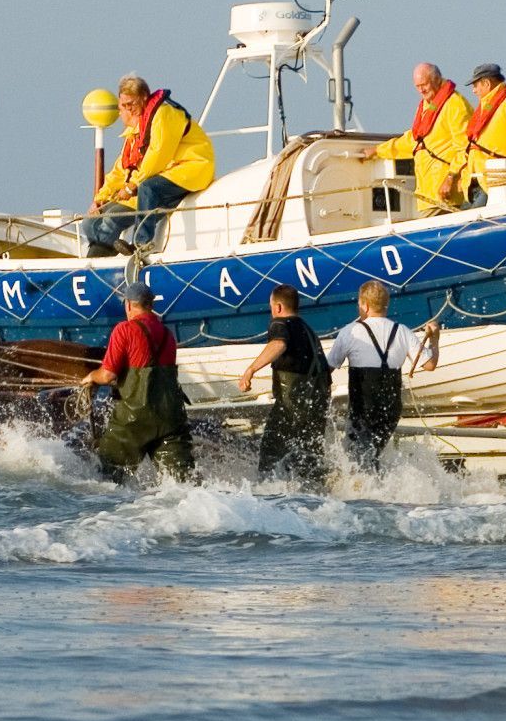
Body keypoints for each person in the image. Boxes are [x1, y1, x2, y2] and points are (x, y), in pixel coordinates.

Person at [80, 75, 215, 257]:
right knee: (90, 222)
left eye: (131, 104)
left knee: (147, 188)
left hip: (192, 167)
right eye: (124, 105)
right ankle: (104, 253)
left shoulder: (164, 114)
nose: (128, 110)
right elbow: (120, 171)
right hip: (166, 173)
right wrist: (100, 198)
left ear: (144, 98)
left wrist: (133, 185)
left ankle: (141, 244)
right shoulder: (136, 133)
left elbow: (158, 154)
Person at [80, 282, 195, 482]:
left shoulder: (124, 329)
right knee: (182, 483)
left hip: (135, 418)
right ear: (150, 305)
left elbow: (107, 375)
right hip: (171, 417)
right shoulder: (168, 335)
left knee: (109, 475)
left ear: (129, 305)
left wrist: (91, 377)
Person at [326, 279, 440, 471]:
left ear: (365, 305)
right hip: (391, 406)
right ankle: (381, 489)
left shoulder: (350, 332)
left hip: (364, 405)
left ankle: (368, 495)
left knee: (358, 458)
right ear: (386, 304)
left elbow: (327, 369)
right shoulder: (402, 331)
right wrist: (434, 340)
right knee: (372, 453)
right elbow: (430, 364)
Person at [237, 283, 331, 483]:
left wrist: (250, 370)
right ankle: (320, 496)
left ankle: (267, 497)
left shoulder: (280, 324)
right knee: (310, 455)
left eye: (271, 307)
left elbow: (279, 343)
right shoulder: (308, 329)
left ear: (278, 307)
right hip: (317, 405)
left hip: (291, 406)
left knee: (271, 451)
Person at [360, 63, 472, 213]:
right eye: (417, 86)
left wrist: (450, 178)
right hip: (428, 194)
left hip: (446, 193)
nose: (421, 90)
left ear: (437, 79)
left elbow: (465, 147)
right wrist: (377, 151)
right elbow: (413, 141)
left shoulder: (455, 105)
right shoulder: (427, 105)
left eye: (424, 84)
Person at [440, 64, 506, 206]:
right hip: (475, 184)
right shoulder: (484, 108)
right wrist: (458, 175)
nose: (473, 91)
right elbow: (472, 147)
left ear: (486, 83)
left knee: (475, 225)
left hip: (495, 185)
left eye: (475, 86)